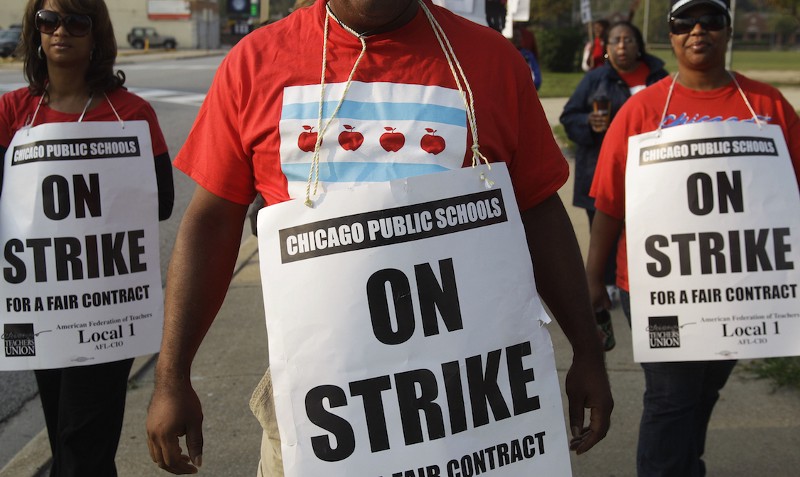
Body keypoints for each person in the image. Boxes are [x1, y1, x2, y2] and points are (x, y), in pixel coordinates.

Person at [145, 0, 613, 474]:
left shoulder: (490, 61)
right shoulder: (255, 62)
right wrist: (171, 376)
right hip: (322, 411)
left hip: (473, 409)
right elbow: (211, 224)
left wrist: (587, 350)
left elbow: (539, 211)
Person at [586, 0, 800, 475]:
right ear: (671, 34)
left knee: (704, 391)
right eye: (685, 22)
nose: (698, 29)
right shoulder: (641, 111)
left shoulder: (768, 106)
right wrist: (593, 281)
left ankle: (687, 466)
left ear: (728, 31)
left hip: (743, 292)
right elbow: (608, 203)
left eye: (711, 20)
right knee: (669, 398)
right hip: (659, 292)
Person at [0, 0, 174, 475]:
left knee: (81, 449)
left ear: (96, 34)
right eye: (49, 20)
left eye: (77, 21)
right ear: (35, 30)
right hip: (42, 308)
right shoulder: (14, 110)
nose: (62, 31)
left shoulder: (131, 114)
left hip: (107, 314)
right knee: (71, 439)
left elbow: (160, 203)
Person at [560, 20, 668, 350]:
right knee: (603, 231)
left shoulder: (660, 80)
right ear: (606, 47)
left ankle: (643, 282)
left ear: (639, 45)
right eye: (615, 40)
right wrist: (589, 125)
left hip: (652, 175)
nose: (622, 46)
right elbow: (569, 116)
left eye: (628, 39)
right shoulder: (595, 80)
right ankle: (606, 286)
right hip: (603, 172)